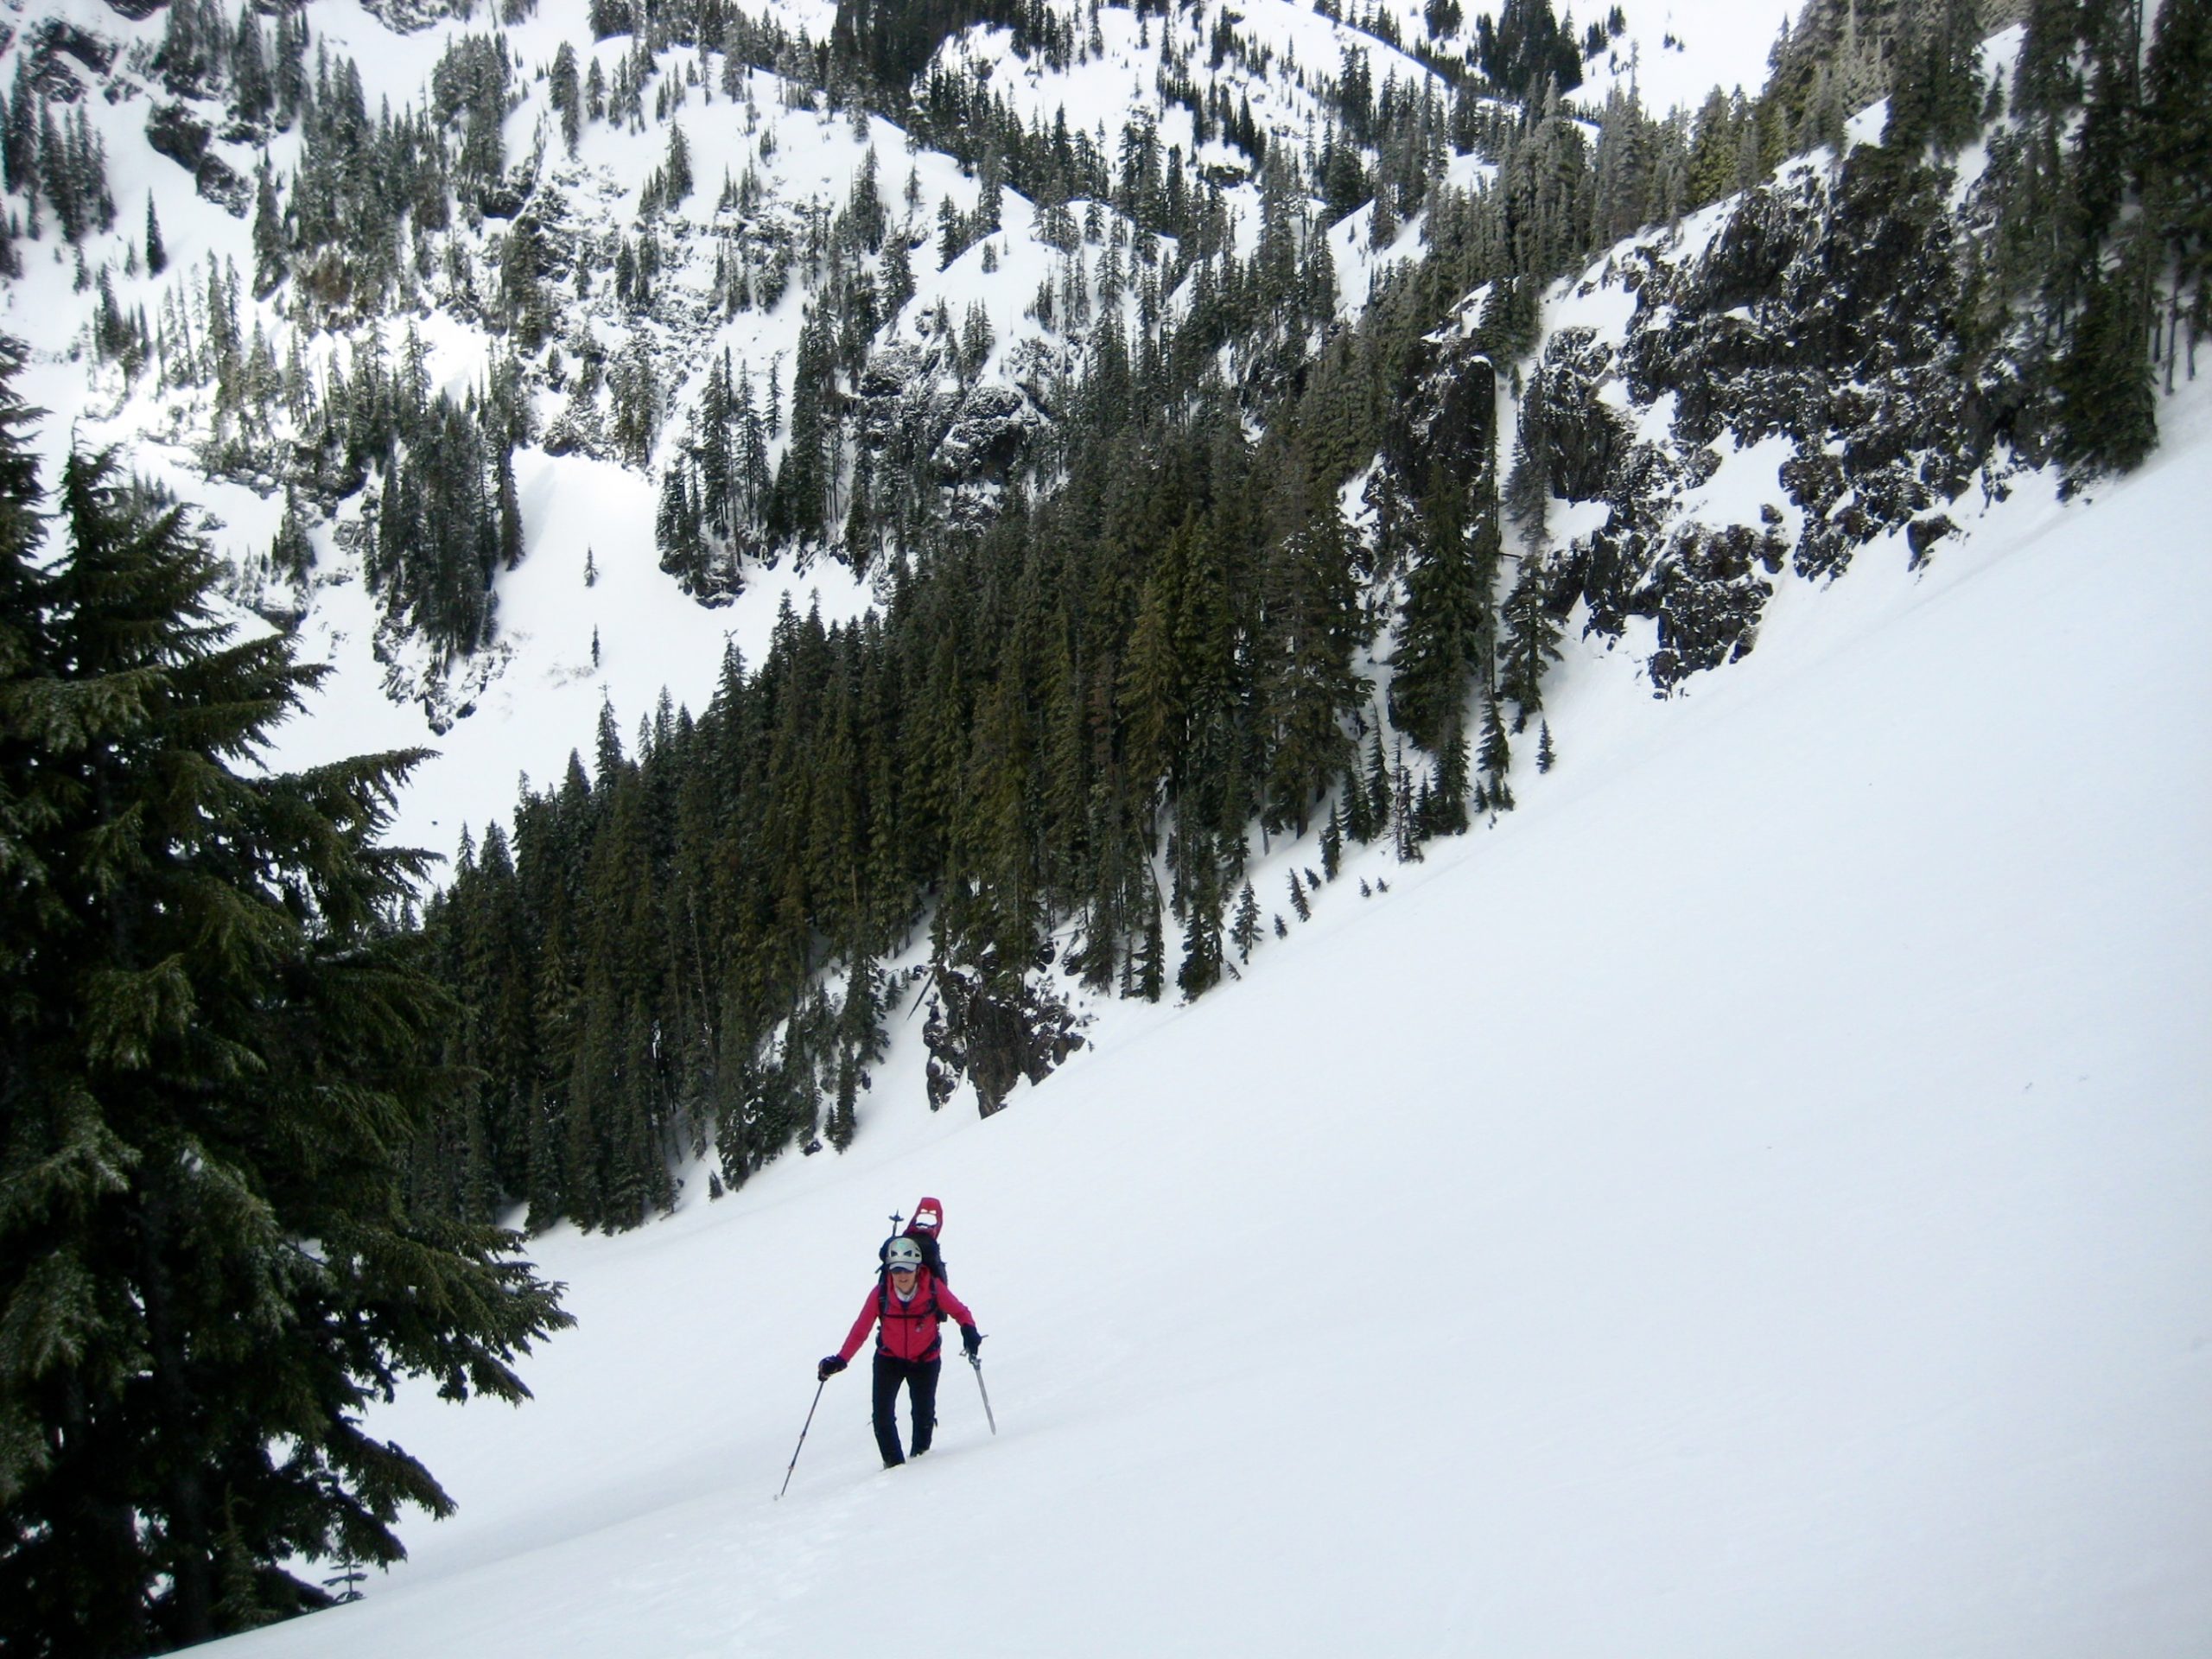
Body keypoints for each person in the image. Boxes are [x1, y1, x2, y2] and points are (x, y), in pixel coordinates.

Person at [818, 1236, 982, 1468]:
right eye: (896, 1271)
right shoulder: (881, 1294)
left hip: (926, 1360)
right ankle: (894, 1467)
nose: (902, 1276)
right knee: (882, 1417)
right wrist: (841, 1360)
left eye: (907, 1269)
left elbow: (960, 1312)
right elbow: (860, 1330)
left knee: (923, 1414)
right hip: (889, 1360)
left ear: (917, 1269)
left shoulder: (933, 1288)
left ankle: (921, 1459)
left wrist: (969, 1330)